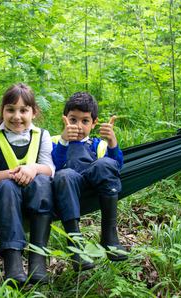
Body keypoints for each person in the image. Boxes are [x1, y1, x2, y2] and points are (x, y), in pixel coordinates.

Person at [0, 83, 55, 285]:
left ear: (34, 112)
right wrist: (11, 174)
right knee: (5, 185)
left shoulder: (42, 135)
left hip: (36, 195)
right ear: (2, 111)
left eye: (24, 110)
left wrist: (32, 169)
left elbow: (49, 168)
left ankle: (38, 258)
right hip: (7, 197)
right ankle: (13, 262)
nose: (17, 116)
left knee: (42, 182)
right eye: (10, 110)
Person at [51, 91, 128, 272]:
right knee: (64, 174)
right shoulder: (56, 141)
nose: (78, 126)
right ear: (65, 119)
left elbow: (115, 166)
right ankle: (76, 247)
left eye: (85, 121)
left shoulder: (97, 145)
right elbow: (54, 165)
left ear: (94, 123)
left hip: (94, 184)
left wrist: (112, 141)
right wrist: (63, 140)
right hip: (67, 187)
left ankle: (110, 236)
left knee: (105, 163)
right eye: (73, 120)